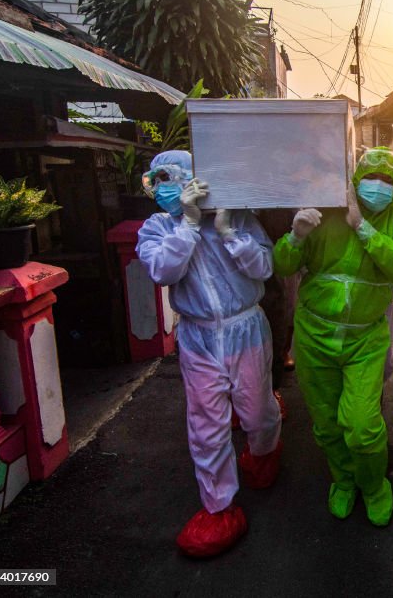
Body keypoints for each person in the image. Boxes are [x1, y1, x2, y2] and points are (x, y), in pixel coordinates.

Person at [136, 150, 283, 557]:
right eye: (155, 178)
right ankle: (218, 507)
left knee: (257, 411)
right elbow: (164, 271)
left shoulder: (236, 217)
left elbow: (264, 269)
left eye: (168, 176)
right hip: (198, 338)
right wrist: (187, 224)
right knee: (206, 425)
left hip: (246, 329)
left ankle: (265, 451)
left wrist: (227, 231)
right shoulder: (156, 228)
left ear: (193, 178)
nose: (160, 185)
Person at [274, 147, 393, 526]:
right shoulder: (325, 213)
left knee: (360, 424)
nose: (378, 186)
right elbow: (283, 265)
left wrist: (363, 227)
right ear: (355, 179)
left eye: (388, 180)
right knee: (325, 422)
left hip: (364, 341)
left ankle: (373, 487)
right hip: (314, 337)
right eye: (371, 177)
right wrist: (295, 236)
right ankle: (343, 480)